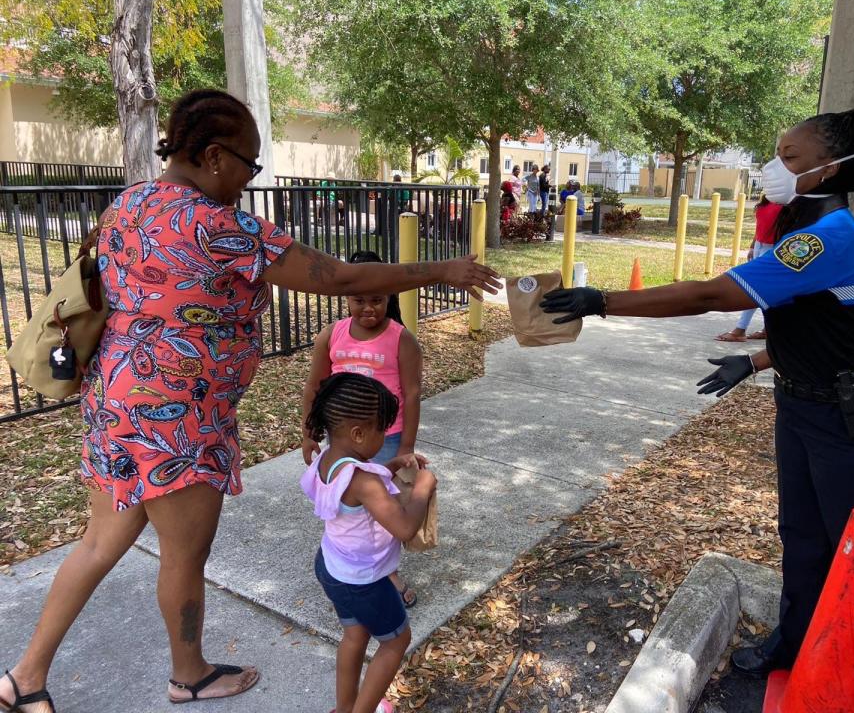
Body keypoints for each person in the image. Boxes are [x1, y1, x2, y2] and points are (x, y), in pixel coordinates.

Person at [0, 89, 499, 713]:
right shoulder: (221, 225)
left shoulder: (127, 204)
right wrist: (439, 270)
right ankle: (189, 674)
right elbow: (340, 278)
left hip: (114, 402)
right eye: (248, 164)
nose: (247, 179)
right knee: (184, 555)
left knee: (99, 542)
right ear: (213, 156)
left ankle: (24, 678)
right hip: (178, 421)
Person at [540, 109, 854, 713]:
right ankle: (795, 641)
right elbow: (826, 328)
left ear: (833, 168)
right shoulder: (805, 227)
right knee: (801, 537)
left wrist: (604, 300)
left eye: (791, 158)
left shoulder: (830, 237)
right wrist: (754, 363)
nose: (775, 168)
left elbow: (713, 294)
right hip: (805, 406)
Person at [301, 373, 436, 713]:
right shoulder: (364, 481)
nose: (385, 436)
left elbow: (354, 495)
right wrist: (423, 487)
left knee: (355, 636)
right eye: (383, 430)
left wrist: (388, 468)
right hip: (364, 580)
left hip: (332, 566)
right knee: (395, 642)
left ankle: (345, 708)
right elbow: (404, 527)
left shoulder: (328, 459)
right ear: (359, 433)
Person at [301, 250, 422, 608]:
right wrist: (309, 432)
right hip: (338, 438)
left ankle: (385, 573)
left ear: (389, 298)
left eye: (376, 299)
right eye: (358, 300)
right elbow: (314, 386)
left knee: (382, 509)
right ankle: (350, 563)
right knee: (348, 504)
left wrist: (406, 448)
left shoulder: (401, 339)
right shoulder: (331, 334)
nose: (367, 308)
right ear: (346, 297)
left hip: (384, 438)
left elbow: (412, 394)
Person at [715, 195, 783, 342]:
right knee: (762, 290)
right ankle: (765, 329)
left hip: (774, 248)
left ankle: (740, 330)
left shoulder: (788, 202)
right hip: (760, 245)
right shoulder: (766, 200)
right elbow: (760, 226)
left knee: (755, 288)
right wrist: (753, 245)